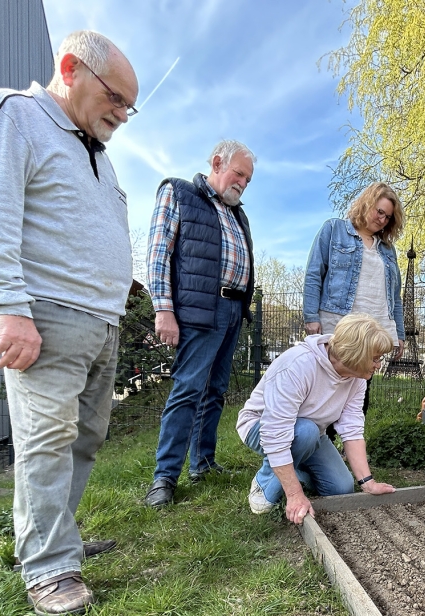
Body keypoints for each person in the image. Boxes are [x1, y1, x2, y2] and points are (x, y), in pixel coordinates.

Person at [0, 30, 139, 616]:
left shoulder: (98, 156)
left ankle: (60, 539)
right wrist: (8, 308)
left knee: (82, 440)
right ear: (71, 68)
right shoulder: (11, 115)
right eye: (116, 97)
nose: (123, 114)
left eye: (129, 106)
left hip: (99, 324)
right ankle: (48, 568)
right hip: (46, 315)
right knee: (46, 440)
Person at [142, 141, 257, 508]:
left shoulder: (239, 215)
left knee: (216, 390)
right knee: (188, 390)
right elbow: (159, 253)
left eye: (248, 179)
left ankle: (203, 463)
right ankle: (164, 478)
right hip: (198, 308)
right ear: (217, 162)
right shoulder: (179, 192)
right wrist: (164, 310)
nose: (242, 183)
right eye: (239, 173)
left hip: (233, 310)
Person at [236, 314, 397, 525]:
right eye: (375, 358)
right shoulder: (298, 365)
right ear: (356, 354)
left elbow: (352, 430)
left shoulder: (357, 379)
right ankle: (264, 482)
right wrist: (294, 495)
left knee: (340, 489)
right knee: (306, 431)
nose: (378, 365)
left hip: (312, 434)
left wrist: (367, 482)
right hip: (261, 427)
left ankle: (295, 472)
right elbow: (274, 433)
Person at [303, 182, 406, 362]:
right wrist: (311, 316)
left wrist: (399, 333)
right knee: (331, 380)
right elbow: (314, 275)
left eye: (388, 217)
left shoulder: (388, 250)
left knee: (362, 384)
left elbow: (395, 297)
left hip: (375, 328)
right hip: (338, 323)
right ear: (367, 203)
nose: (382, 219)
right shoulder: (334, 229)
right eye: (379, 211)